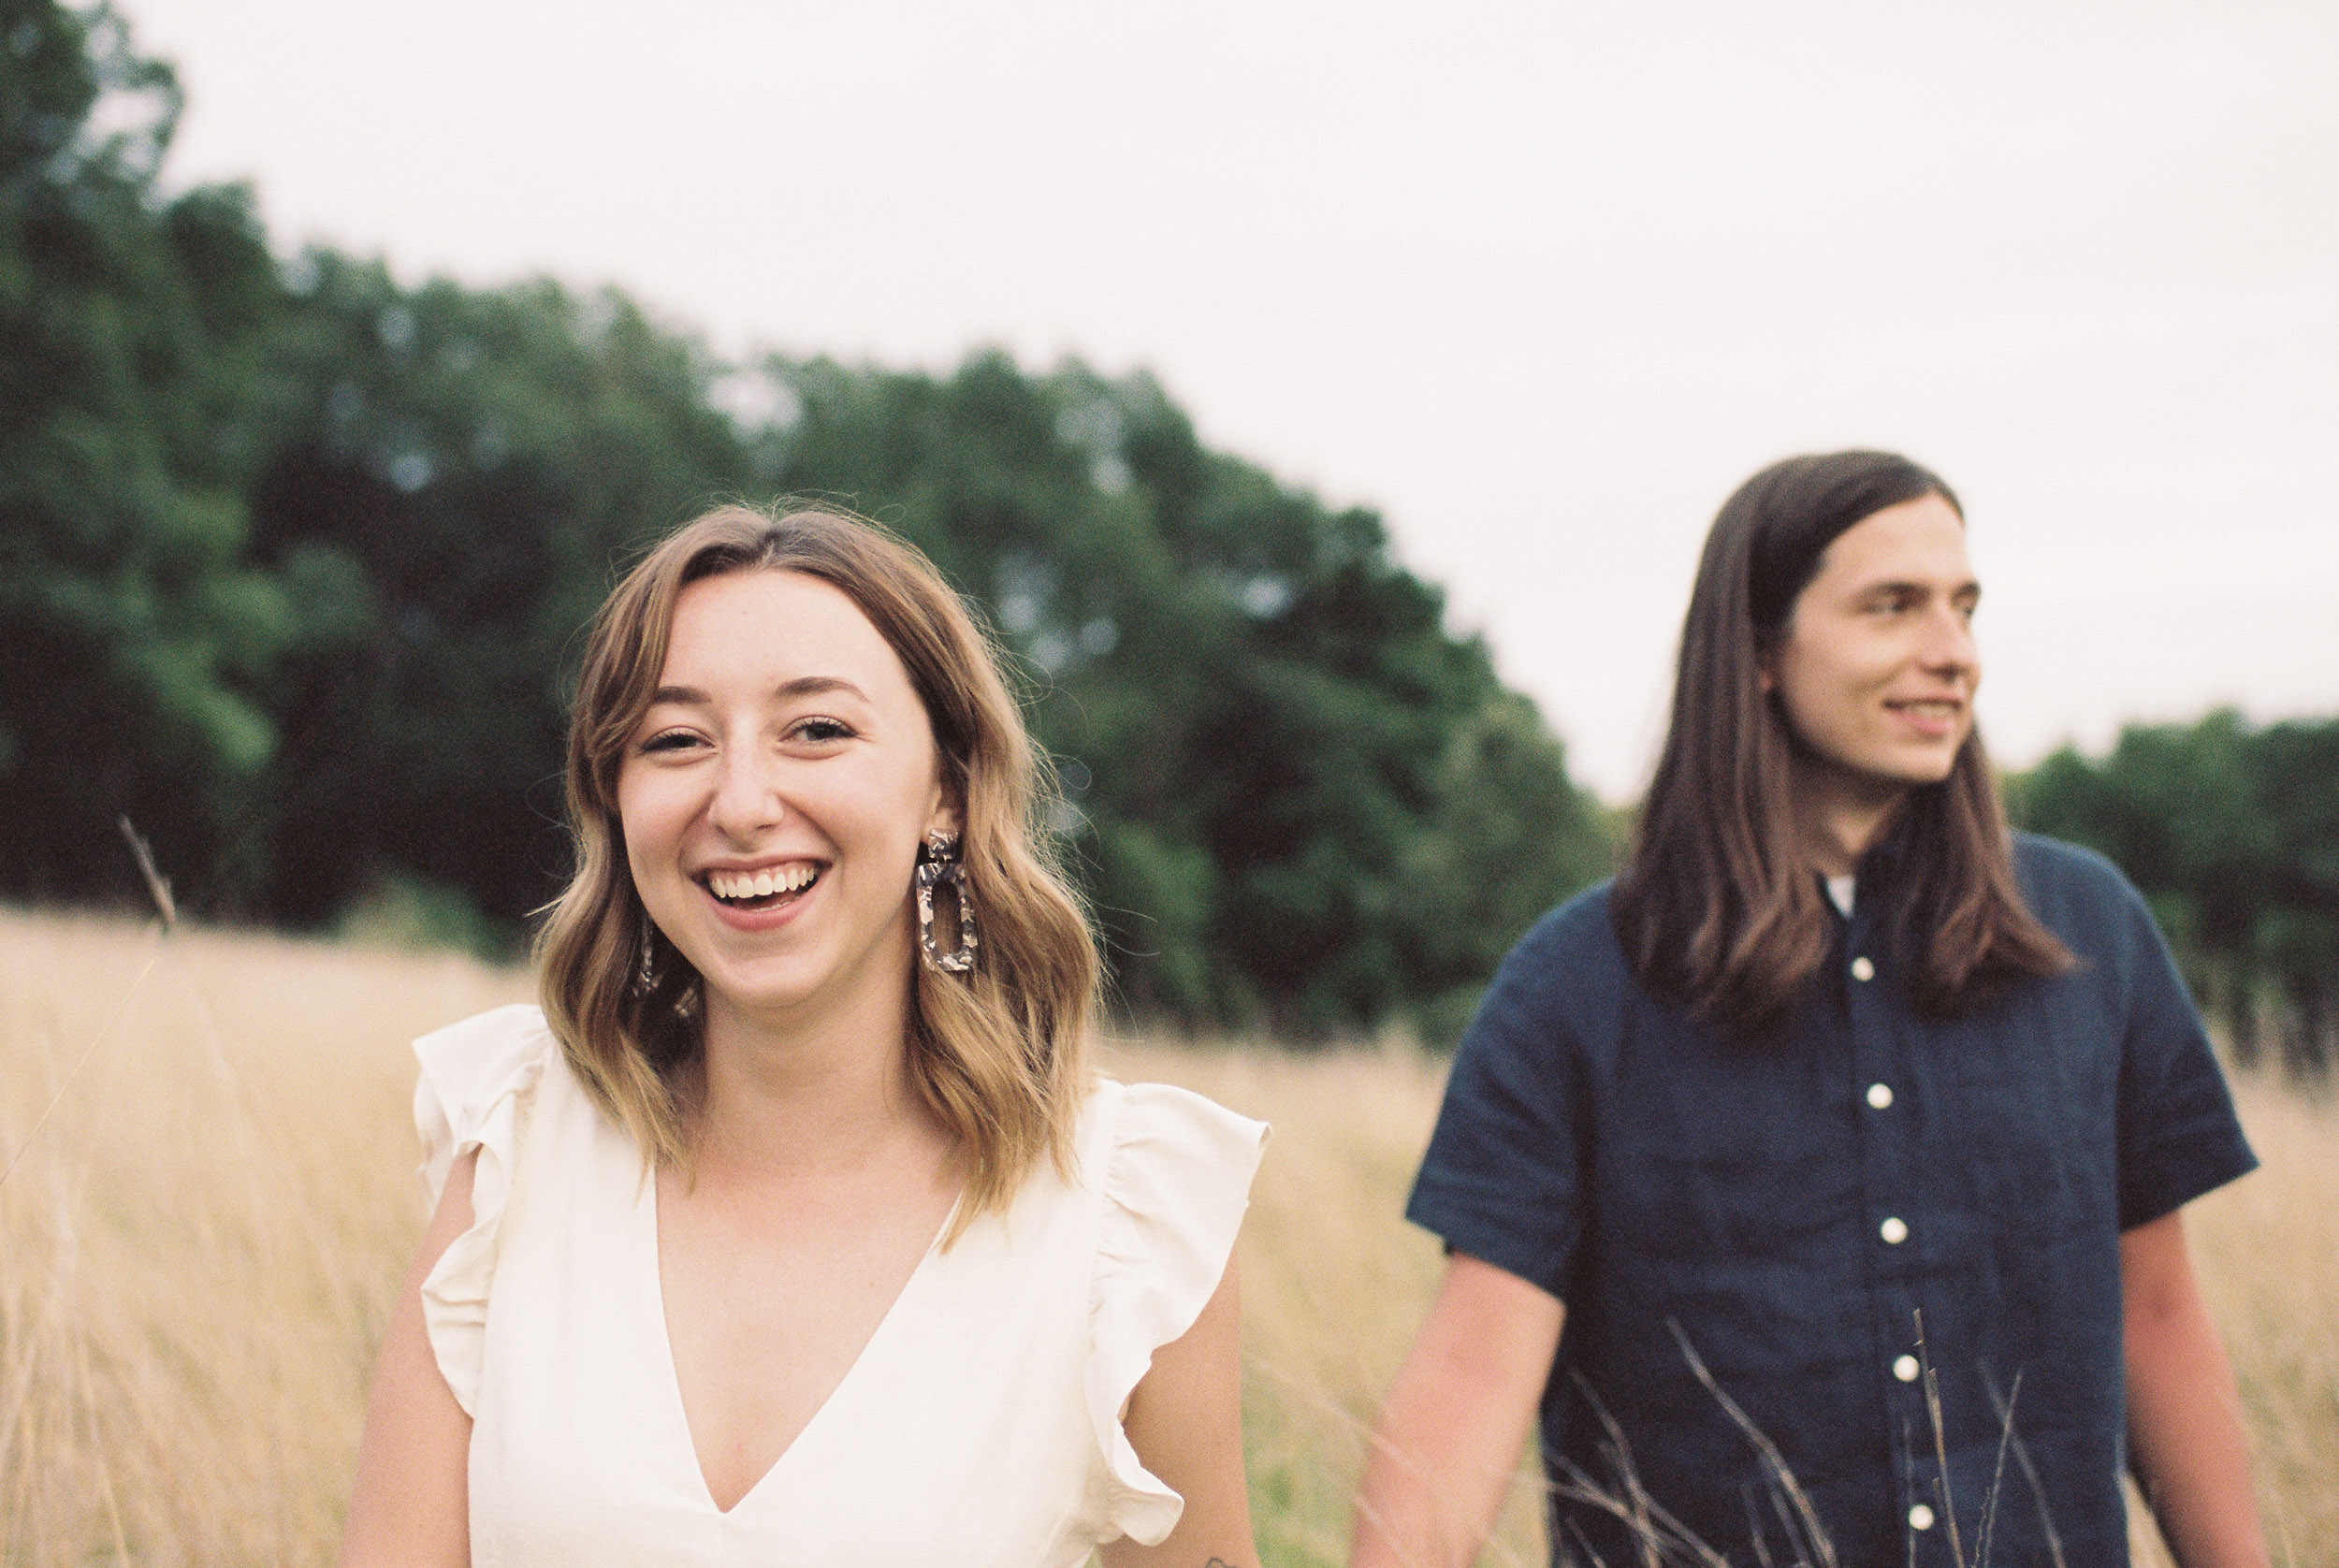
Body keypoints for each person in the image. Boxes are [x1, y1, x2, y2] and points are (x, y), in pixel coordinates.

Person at [1353, 452, 2267, 1567]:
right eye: (1892, 606)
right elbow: (1474, 1366)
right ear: (1756, 651)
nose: (1952, 652)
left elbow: (2157, 1314)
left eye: (1963, 606)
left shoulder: (2091, 930)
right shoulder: (1572, 987)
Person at [341, 504, 1268, 1567]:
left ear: (947, 794)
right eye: (676, 739)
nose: (739, 801)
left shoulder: (1128, 1216)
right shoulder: (511, 1139)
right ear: (615, 796)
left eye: (816, 729)